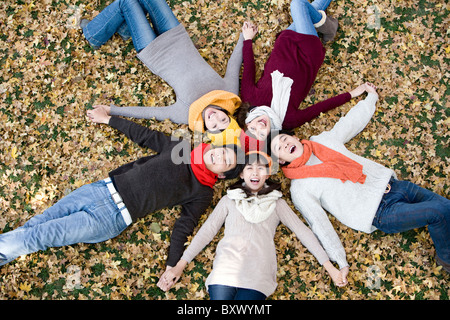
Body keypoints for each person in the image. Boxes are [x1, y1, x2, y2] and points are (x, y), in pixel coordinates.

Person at [0, 106, 244, 268]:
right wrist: (109, 119)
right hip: (99, 189)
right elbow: (145, 135)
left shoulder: (203, 191)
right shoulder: (182, 149)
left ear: (222, 175)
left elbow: (185, 225)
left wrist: (173, 265)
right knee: (36, 224)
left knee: (39, 236)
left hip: (109, 218)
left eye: (227, 162)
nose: (220, 157)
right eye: (223, 152)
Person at [270, 83, 450, 274]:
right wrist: (340, 262)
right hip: (380, 213)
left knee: (446, 208)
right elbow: (319, 224)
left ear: (295, 138)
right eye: (278, 148)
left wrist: (370, 98)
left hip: (394, 186)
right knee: (437, 212)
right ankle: (446, 259)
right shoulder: (300, 188)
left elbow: (349, 124)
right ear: (281, 160)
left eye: (284, 139)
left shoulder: (321, 142)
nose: (284, 144)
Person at [157, 151, 347, 300]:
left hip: (258, 273)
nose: (255, 172)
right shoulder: (228, 200)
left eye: (261, 168)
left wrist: (330, 267)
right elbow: (207, 232)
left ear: (268, 174)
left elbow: (303, 232)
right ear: (241, 173)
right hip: (225, 270)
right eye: (249, 168)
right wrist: (179, 266)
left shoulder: (277, 203)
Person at [81, 0, 243, 140]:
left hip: (154, 51)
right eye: (223, 120)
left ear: (207, 128)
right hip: (176, 35)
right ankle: (124, 29)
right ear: (229, 116)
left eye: (213, 125)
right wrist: (245, 37)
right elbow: (234, 66)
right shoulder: (228, 94)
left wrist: (111, 110)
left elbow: (151, 112)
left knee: (126, 2)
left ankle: (94, 34)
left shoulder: (188, 114)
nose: (215, 117)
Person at [234, 0, 356, 142]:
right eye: (261, 134)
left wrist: (248, 39)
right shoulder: (289, 121)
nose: (259, 127)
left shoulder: (249, 98)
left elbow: (249, 68)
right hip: (308, 54)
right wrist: (352, 94)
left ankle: (329, 29)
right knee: (298, 4)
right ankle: (328, 29)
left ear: (248, 121)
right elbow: (320, 108)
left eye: (253, 128)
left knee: (311, 9)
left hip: (285, 43)